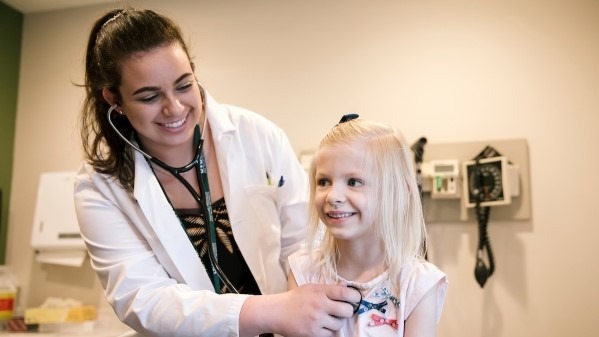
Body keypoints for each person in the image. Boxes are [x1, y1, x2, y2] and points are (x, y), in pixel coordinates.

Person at [74, 7, 359, 337]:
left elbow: (305, 243)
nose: (174, 108)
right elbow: (144, 299)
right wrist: (271, 311)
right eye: (150, 96)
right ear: (115, 99)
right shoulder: (99, 187)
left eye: (184, 85)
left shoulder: (257, 136)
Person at [288, 115, 448, 337]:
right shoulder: (303, 272)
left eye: (354, 182)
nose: (333, 196)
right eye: (324, 182)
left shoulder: (418, 284)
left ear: (397, 192)